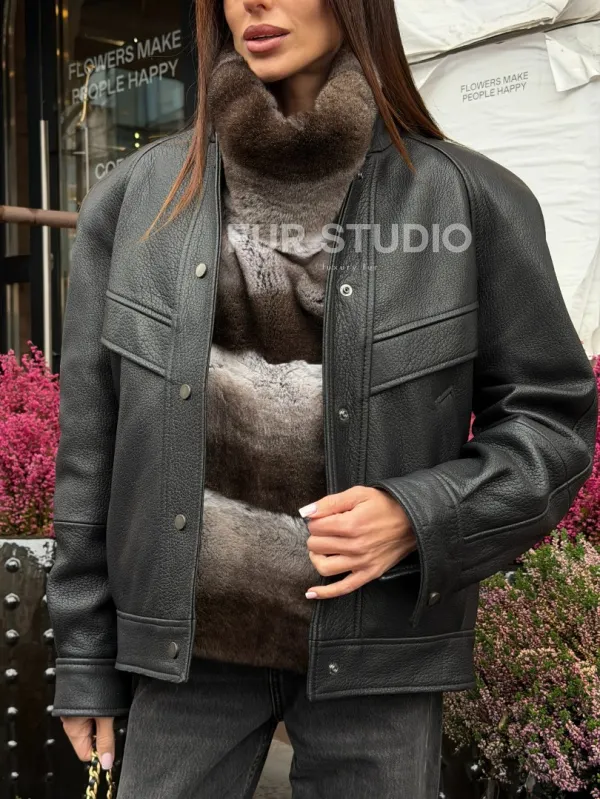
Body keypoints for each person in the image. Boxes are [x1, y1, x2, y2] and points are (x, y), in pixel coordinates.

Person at [46, 0, 598, 797]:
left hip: (377, 653)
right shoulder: (134, 201)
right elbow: (89, 451)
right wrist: (85, 659)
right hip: (187, 657)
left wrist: (419, 514)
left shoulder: (468, 201)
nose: (253, 3)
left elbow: (552, 420)